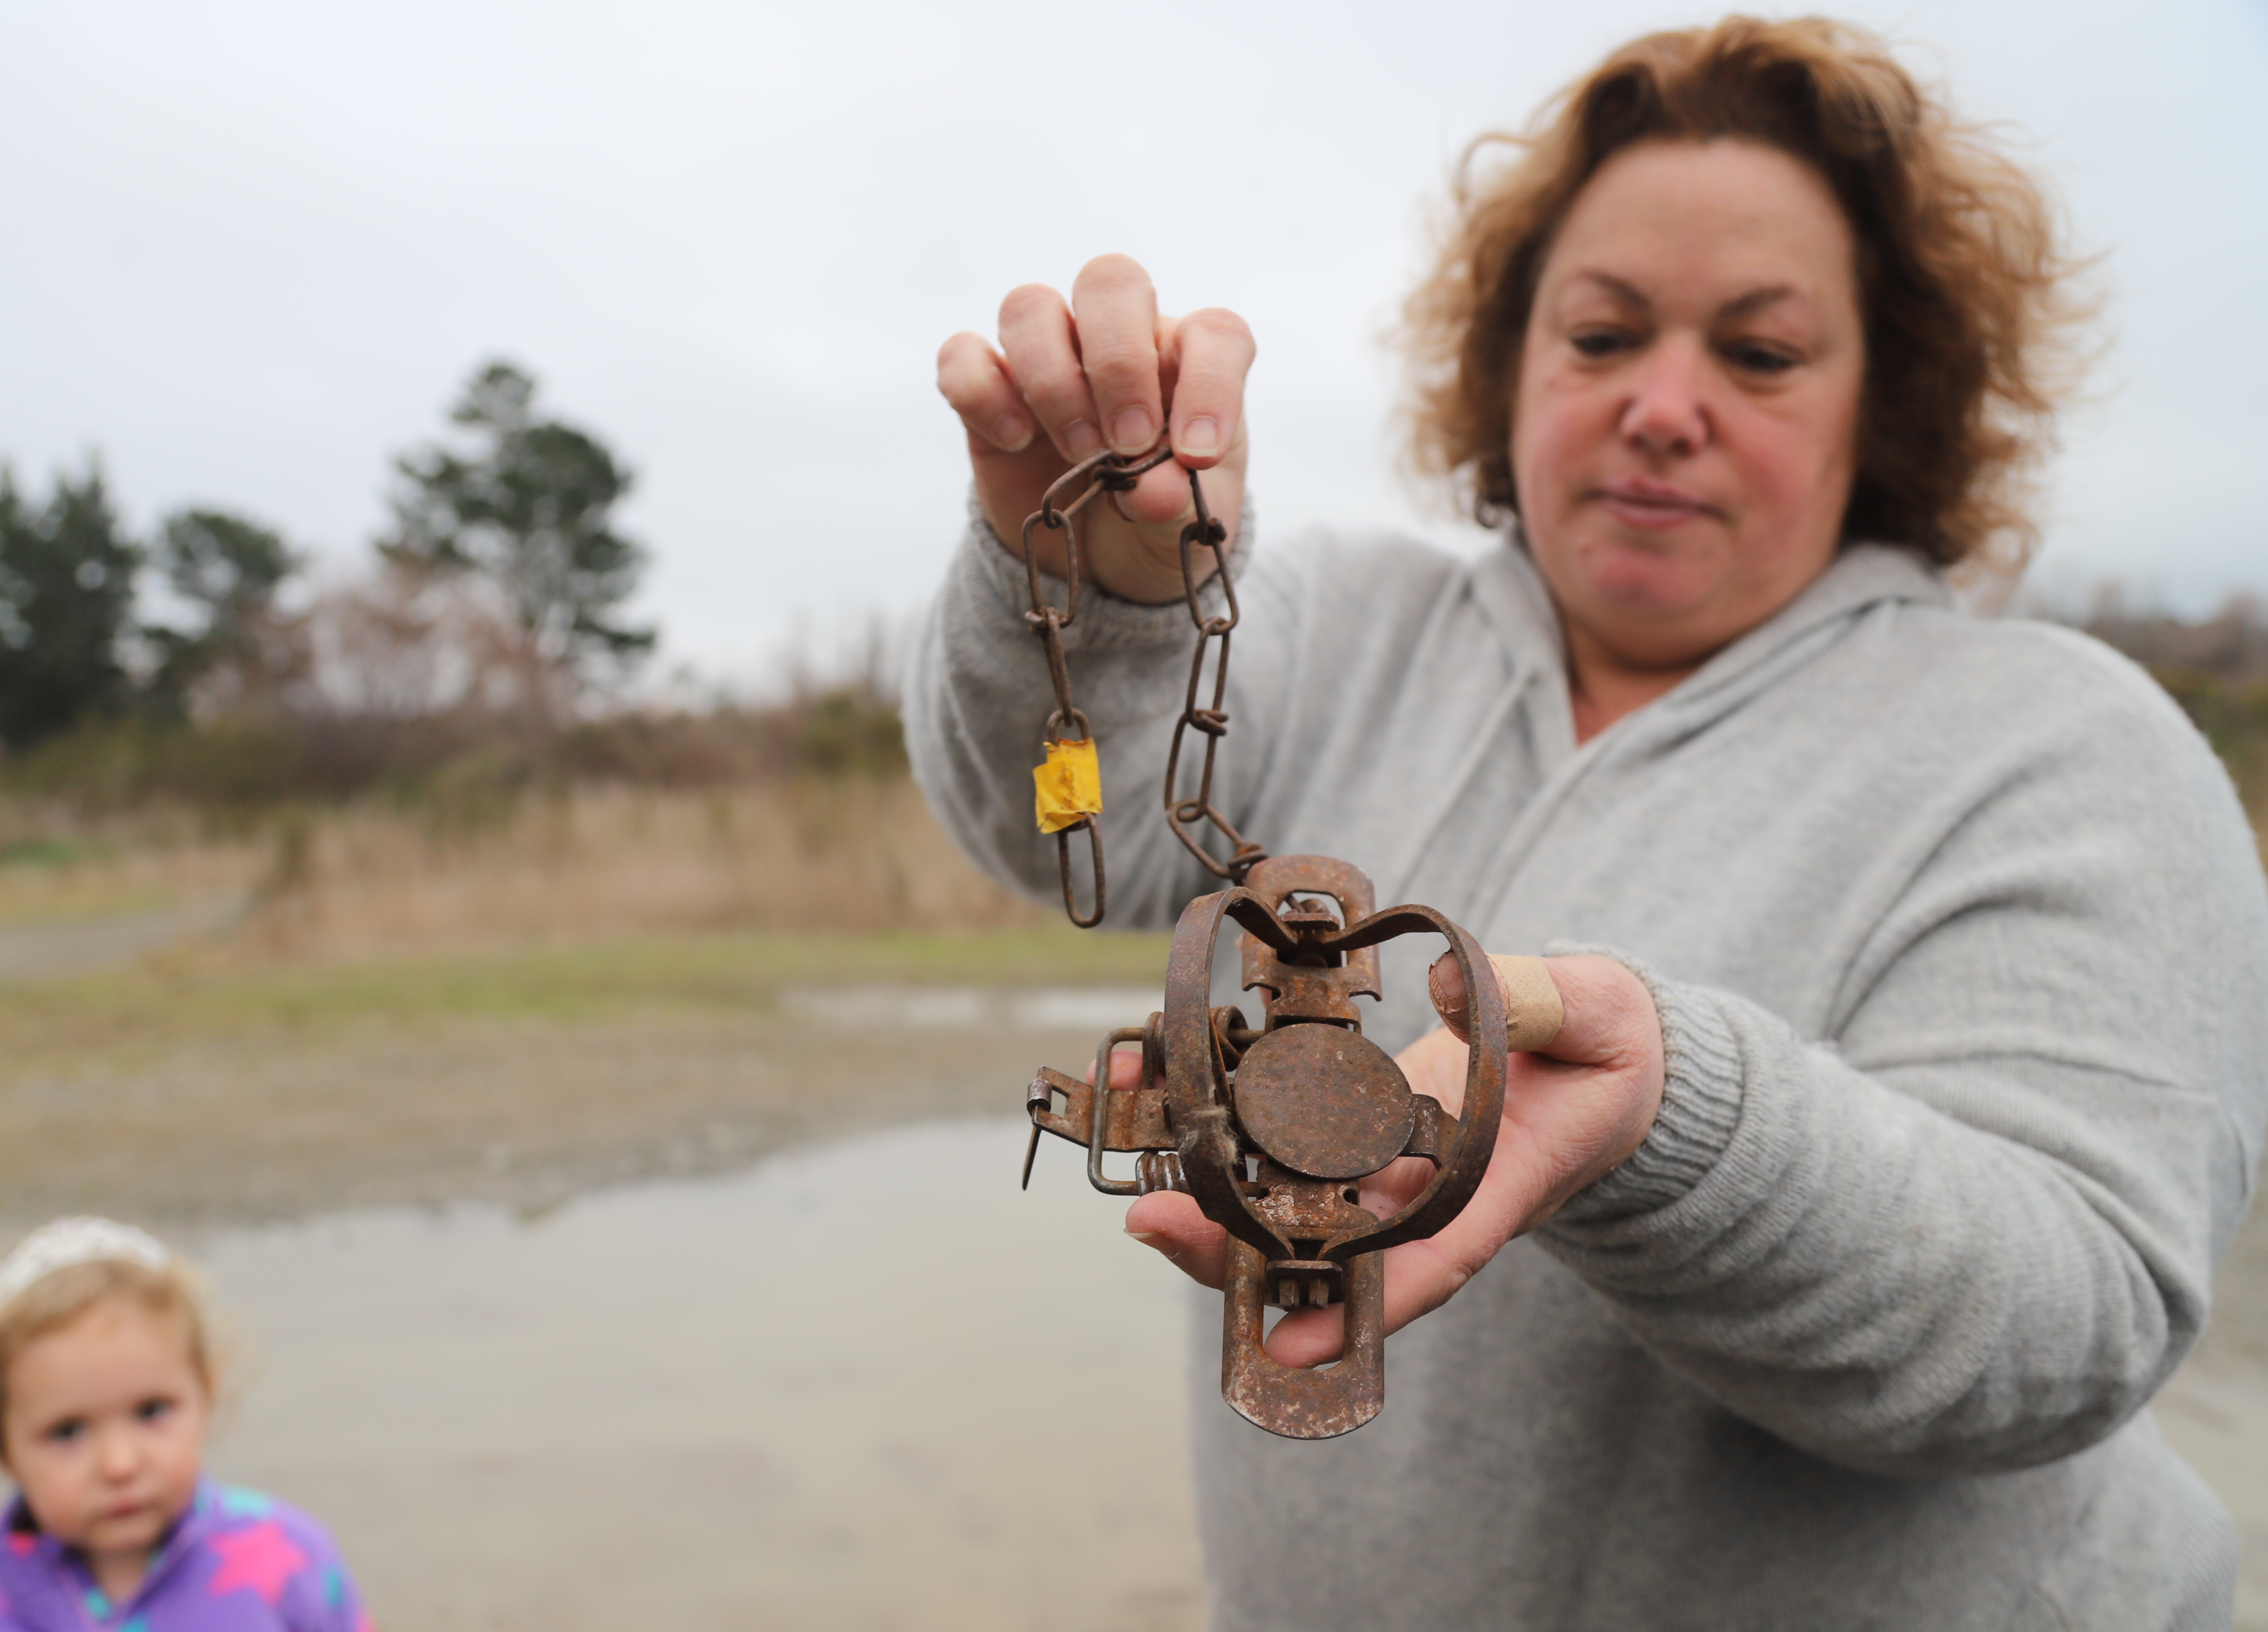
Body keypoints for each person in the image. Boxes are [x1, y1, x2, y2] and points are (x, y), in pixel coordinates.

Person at [907, 15, 2268, 1629]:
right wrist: (1104, 591)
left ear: (1884, 404)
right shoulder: (1336, 623)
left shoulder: (2065, 746)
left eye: (1759, 353)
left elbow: (2075, 1318)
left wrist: (1666, 1124)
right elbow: (1064, 831)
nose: (1664, 406)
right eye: (1604, 334)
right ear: (1511, 359)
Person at [0, 1217, 372, 1632]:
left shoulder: (288, 1559)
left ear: (206, 1394)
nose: (120, 1464)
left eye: (152, 1411)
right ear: (1, 1445)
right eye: (67, 1431)